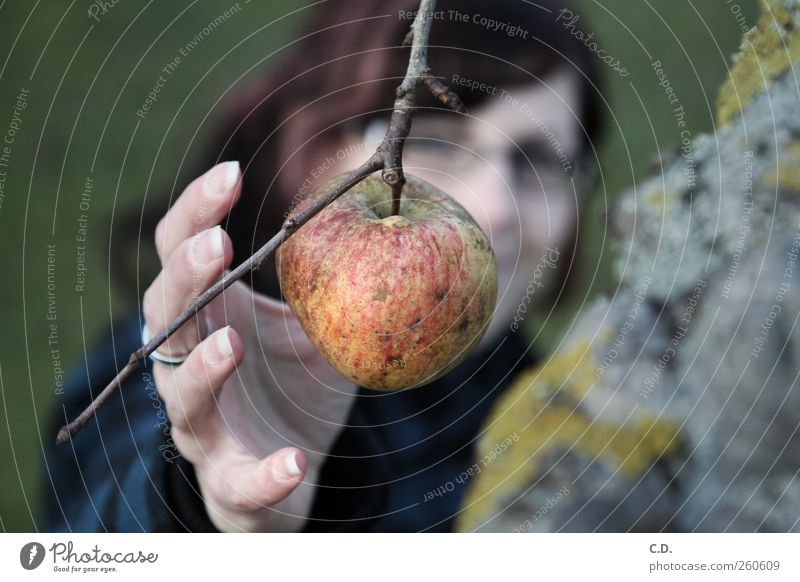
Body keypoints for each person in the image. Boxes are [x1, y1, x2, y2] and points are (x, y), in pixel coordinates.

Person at [42, 0, 603, 532]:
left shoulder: (572, 417)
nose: (496, 207)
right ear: (315, 150)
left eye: (539, 161)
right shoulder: (193, 358)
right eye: (431, 140)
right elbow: (104, 511)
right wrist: (207, 507)